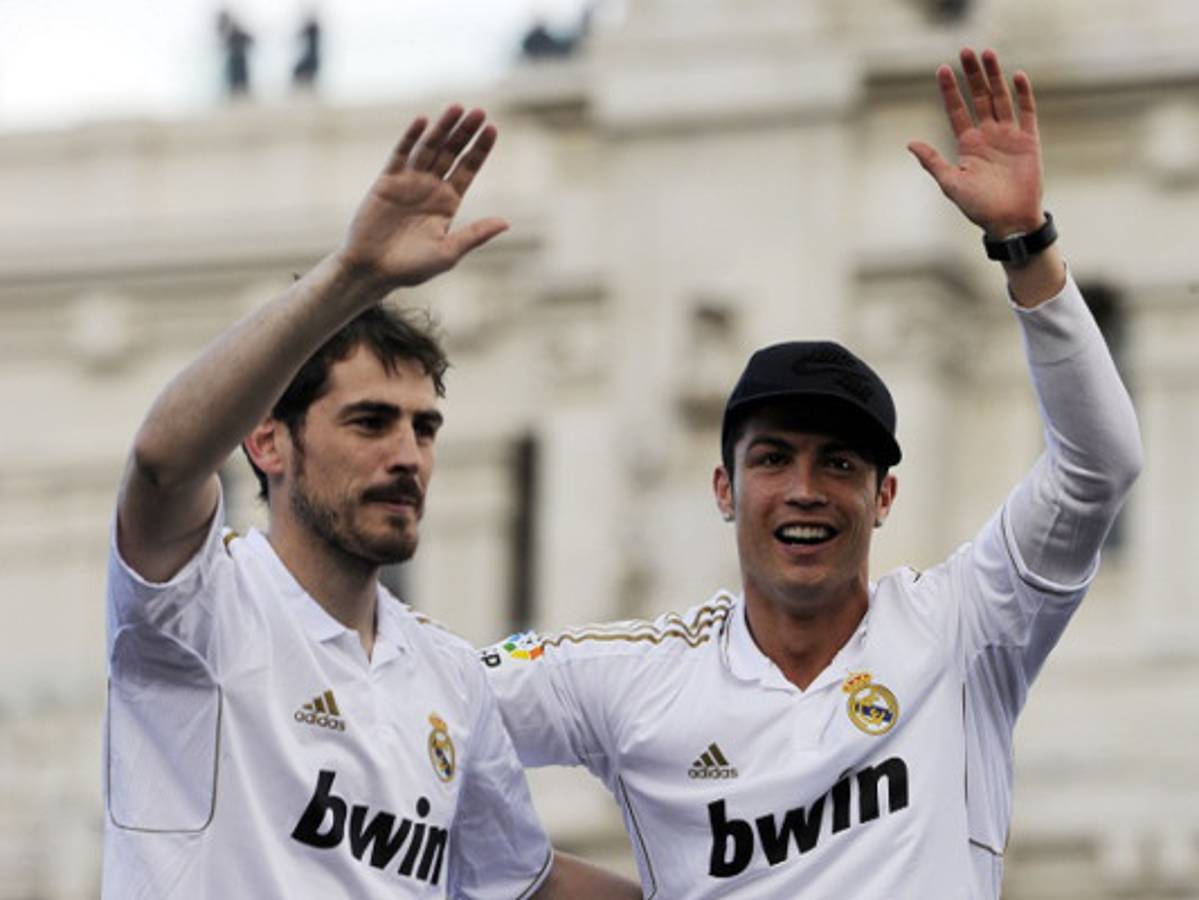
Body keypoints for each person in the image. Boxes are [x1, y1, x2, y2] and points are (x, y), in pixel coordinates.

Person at [481, 48, 1143, 897]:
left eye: (839, 462)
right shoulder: (638, 676)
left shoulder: (962, 629)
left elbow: (1099, 465)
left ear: (884, 497)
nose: (804, 489)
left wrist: (1024, 244)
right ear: (722, 490)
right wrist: (529, 877)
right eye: (772, 458)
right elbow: (425, 713)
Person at [103, 105, 639, 898]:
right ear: (268, 443)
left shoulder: (447, 675)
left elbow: (523, 885)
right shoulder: (198, 607)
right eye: (370, 422)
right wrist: (354, 274)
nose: (406, 455)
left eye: (424, 429)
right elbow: (159, 466)